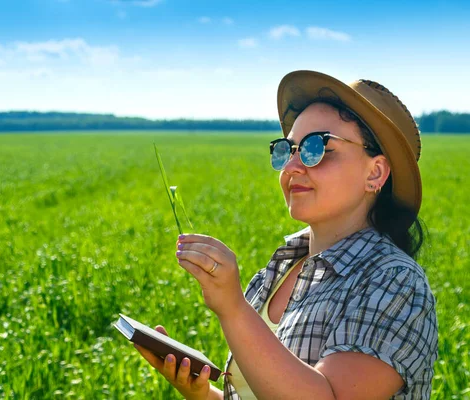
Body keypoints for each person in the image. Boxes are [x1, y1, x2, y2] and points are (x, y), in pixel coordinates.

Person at [134, 70, 438, 399]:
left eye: (316, 148)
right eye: (289, 149)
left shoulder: (394, 281)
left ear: (374, 172)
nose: (292, 167)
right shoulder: (279, 270)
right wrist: (202, 393)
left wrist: (233, 308)